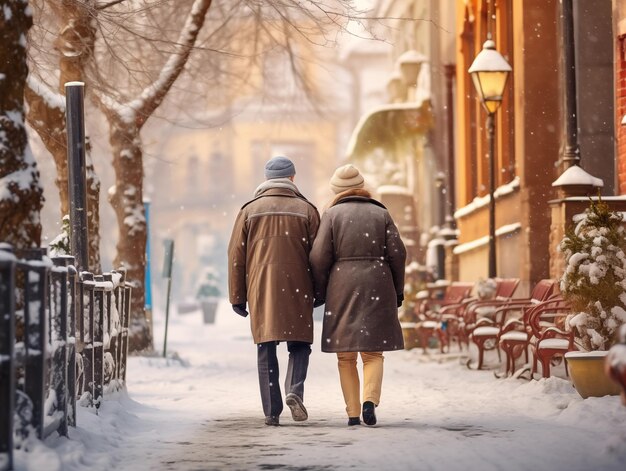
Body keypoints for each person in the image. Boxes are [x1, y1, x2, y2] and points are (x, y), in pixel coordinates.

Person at [309, 164, 406, 426]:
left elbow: (318, 257)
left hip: (342, 285)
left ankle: (352, 412)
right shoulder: (380, 213)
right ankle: (368, 401)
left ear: (336, 191)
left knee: (346, 354)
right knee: (373, 353)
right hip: (379, 281)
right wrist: (397, 290)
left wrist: (322, 289)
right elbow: (398, 254)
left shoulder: (331, 215)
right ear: (362, 187)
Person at [227, 156, 321, 426]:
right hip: (298, 285)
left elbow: (236, 255)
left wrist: (237, 295)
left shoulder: (249, 210)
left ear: (266, 180)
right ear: (292, 178)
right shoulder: (307, 210)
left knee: (266, 347)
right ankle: (294, 389)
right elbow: (319, 256)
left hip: (261, 286)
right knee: (300, 344)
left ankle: (271, 411)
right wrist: (320, 291)